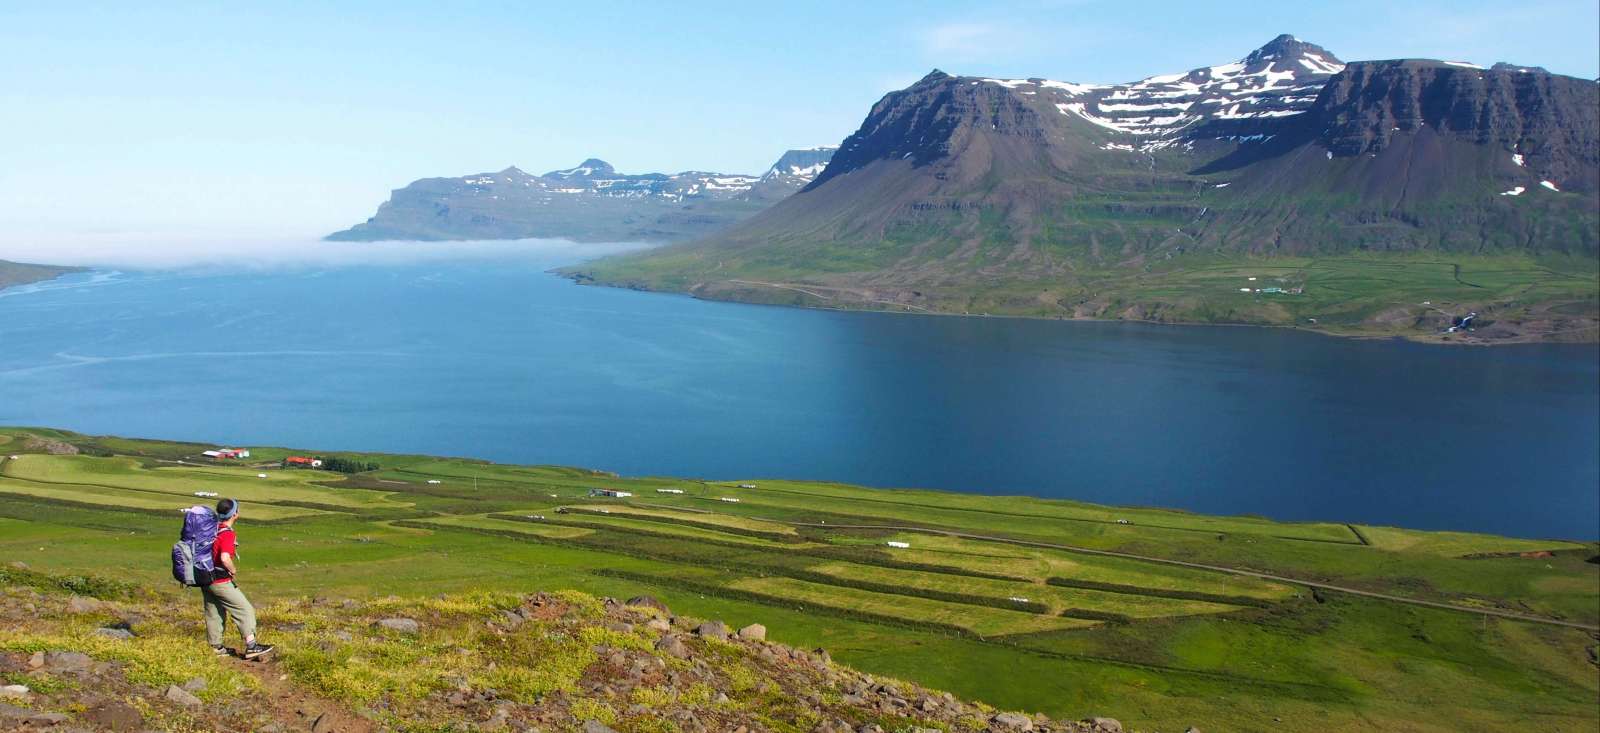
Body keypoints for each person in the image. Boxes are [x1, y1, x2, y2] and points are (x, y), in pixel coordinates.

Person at [202, 498, 274, 659]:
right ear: (234, 514)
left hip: (205, 579)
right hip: (220, 581)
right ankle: (251, 646)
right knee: (244, 609)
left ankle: (216, 647)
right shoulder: (227, 534)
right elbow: (225, 557)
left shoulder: (211, 529)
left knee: (214, 611)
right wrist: (233, 570)